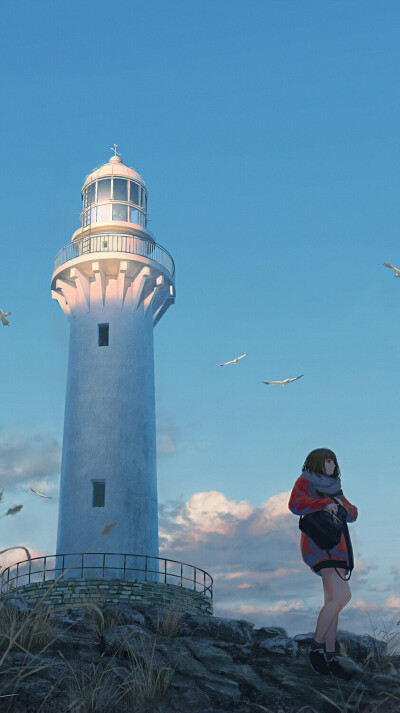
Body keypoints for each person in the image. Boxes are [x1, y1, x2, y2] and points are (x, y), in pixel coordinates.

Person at [288, 448, 358, 680]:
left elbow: (353, 513)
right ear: (318, 462)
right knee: (342, 597)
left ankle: (330, 656)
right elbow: (296, 505)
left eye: (334, 461)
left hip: (337, 548)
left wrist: (340, 506)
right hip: (320, 545)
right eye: (328, 461)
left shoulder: (335, 487)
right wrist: (322, 503)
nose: (332, 465)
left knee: (333, 601)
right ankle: (316, 648)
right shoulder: (305, 481)